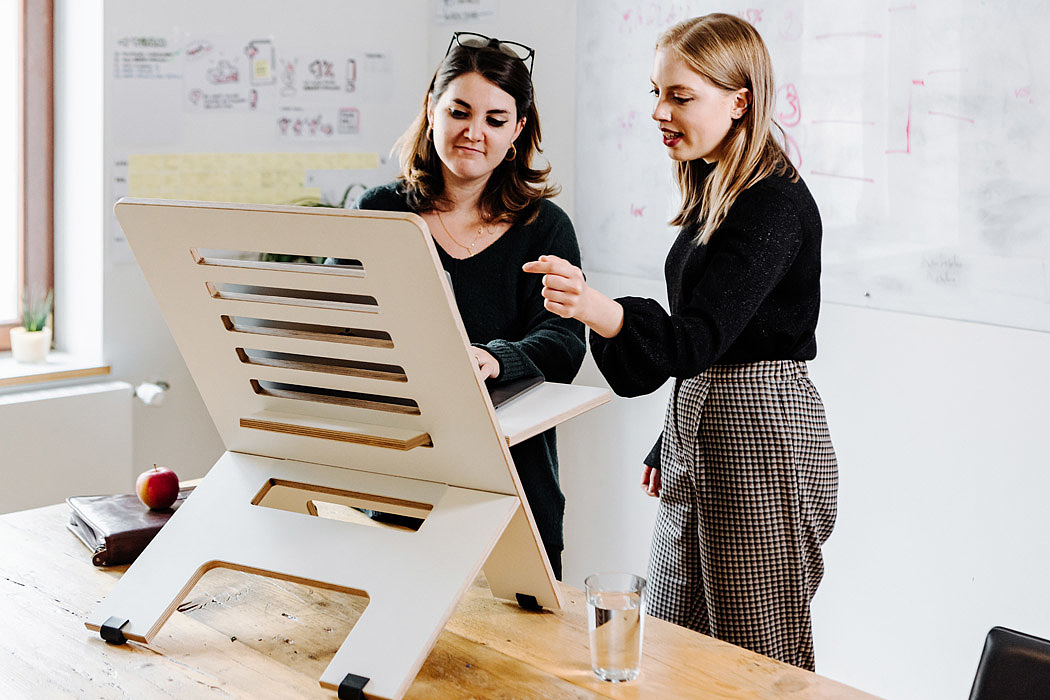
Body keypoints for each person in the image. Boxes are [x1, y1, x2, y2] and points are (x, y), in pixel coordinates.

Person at [524, 14, 837, 669]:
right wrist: (673, 437)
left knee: (759, 654)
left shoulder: (771, 204)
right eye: (656, 93)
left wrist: (599, 309)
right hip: (706, 420)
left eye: (681, 97)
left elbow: (698, 338)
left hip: (761, 429)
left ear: (740, 99)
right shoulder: (717, 190)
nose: (661, 112)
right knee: (674, 639)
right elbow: (709, 343)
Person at [341, 32, 585, 579]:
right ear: (432, 110)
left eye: (496, 120)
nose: (474, 133)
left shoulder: (545, 227)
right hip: (400, 483)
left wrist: (494, 358)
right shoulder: (381, 210)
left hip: (514, 488)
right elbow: (345, 321)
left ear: (518, 131)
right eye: (459, 111)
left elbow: (566, 341)